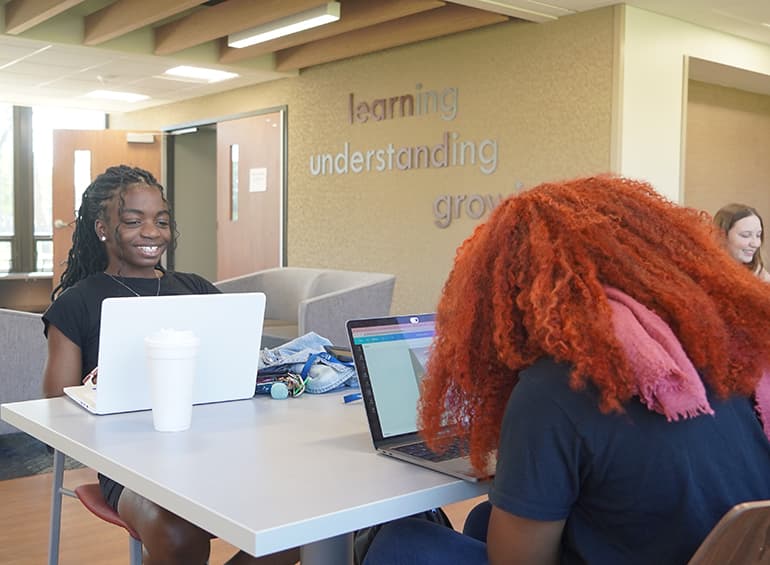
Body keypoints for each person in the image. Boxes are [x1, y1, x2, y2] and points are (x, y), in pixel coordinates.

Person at [363, 176, 770, 565]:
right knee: (483, 519)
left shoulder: (555, 389)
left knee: (401, 543)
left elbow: (520, 561)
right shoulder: (718, 355)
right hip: (701, 550)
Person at [43, 165, 299, 565]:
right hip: (131, 464)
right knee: (178, 535)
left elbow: (234, 364)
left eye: (161, 221)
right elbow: (55, 409)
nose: (152, 232)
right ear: (102, 229)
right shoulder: (78, 303)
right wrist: (96, 386)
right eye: (133, 221)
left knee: (309, 518)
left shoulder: (195, 289)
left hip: (219, 449)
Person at [713, 202, 770, 282]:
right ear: (722, 235)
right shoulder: (705, 273)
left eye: (758, 235)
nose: (756, 244)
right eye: (745, 235)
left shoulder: (759, 273)